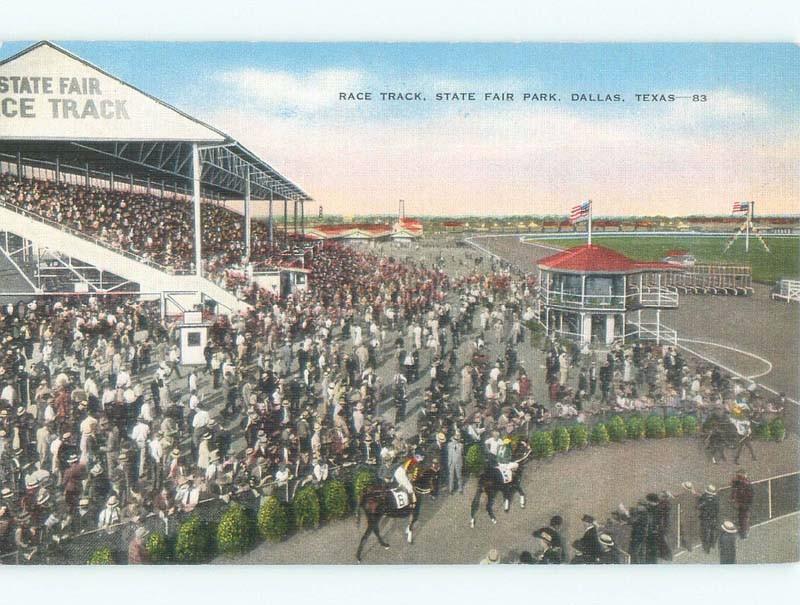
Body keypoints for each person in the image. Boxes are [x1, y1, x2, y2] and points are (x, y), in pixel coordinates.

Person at [730, 471, 753, 538]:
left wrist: (740, 504)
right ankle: (743, 532)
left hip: (745, 506)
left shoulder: (747, 485)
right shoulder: (744, 483)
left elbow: (749, 498)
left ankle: (744, 533)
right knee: (742, 519)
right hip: (743, 505)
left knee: (744, 520)